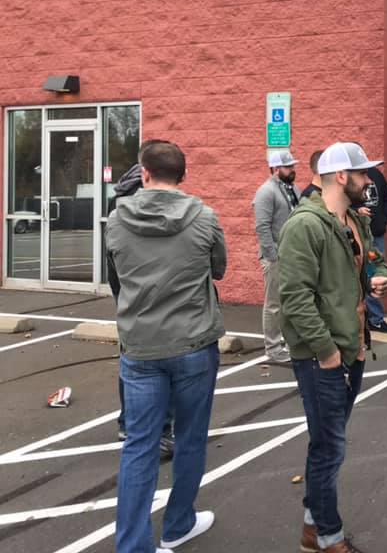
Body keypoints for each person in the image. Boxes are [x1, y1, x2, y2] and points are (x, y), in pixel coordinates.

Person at [106, 140, 226, 553]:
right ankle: (178, 524)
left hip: (140, 346)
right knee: (191, 438)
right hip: (194, 342)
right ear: (183, 175)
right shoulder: (205, 217)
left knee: (139, 445)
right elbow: (219, 269)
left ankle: (133, 545)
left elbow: (115, 277)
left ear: (144, 174)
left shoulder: (116, 221)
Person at [279, 142, 387, 553]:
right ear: (341, 177)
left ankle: (313, 526)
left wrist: (374, 277)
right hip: (322, 357)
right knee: (330, 447)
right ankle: (327, 537)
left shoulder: (354, 221)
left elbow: (373, 258)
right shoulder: (304, 226)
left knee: (328, 441)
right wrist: (326, 353)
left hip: (352, 348)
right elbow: (295, 299)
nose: (368, 181)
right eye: (362, 174)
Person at [107, 159, 174, 457]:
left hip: (128, 298)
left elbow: (113, 266)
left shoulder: (117, 208)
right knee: (155, 364)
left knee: (131, 361)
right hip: (149, 301)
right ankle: (157, 429)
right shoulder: (142, 209)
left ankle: (129, 423)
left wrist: (123, 298)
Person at [253, 150, 301, 363]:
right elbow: (262, 227)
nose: (293, 169)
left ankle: (290, 343)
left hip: (292, 255)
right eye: (288, 166)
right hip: (276, 256)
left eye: (292, 165)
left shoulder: (293, 189)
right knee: (273, 304)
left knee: (291, 301)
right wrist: (273, 256)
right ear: (275, 168)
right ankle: (272, 347)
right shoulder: (266, 192)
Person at [355, 163, 387, 333]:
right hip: (359, 235)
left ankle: (375, 319)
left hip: (375, 235)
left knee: (376, 272)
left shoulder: (376, 175)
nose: (367, 180)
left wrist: (383, 218)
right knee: (364, 275)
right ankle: (372, 318)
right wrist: (357, 211)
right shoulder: (351, 179)